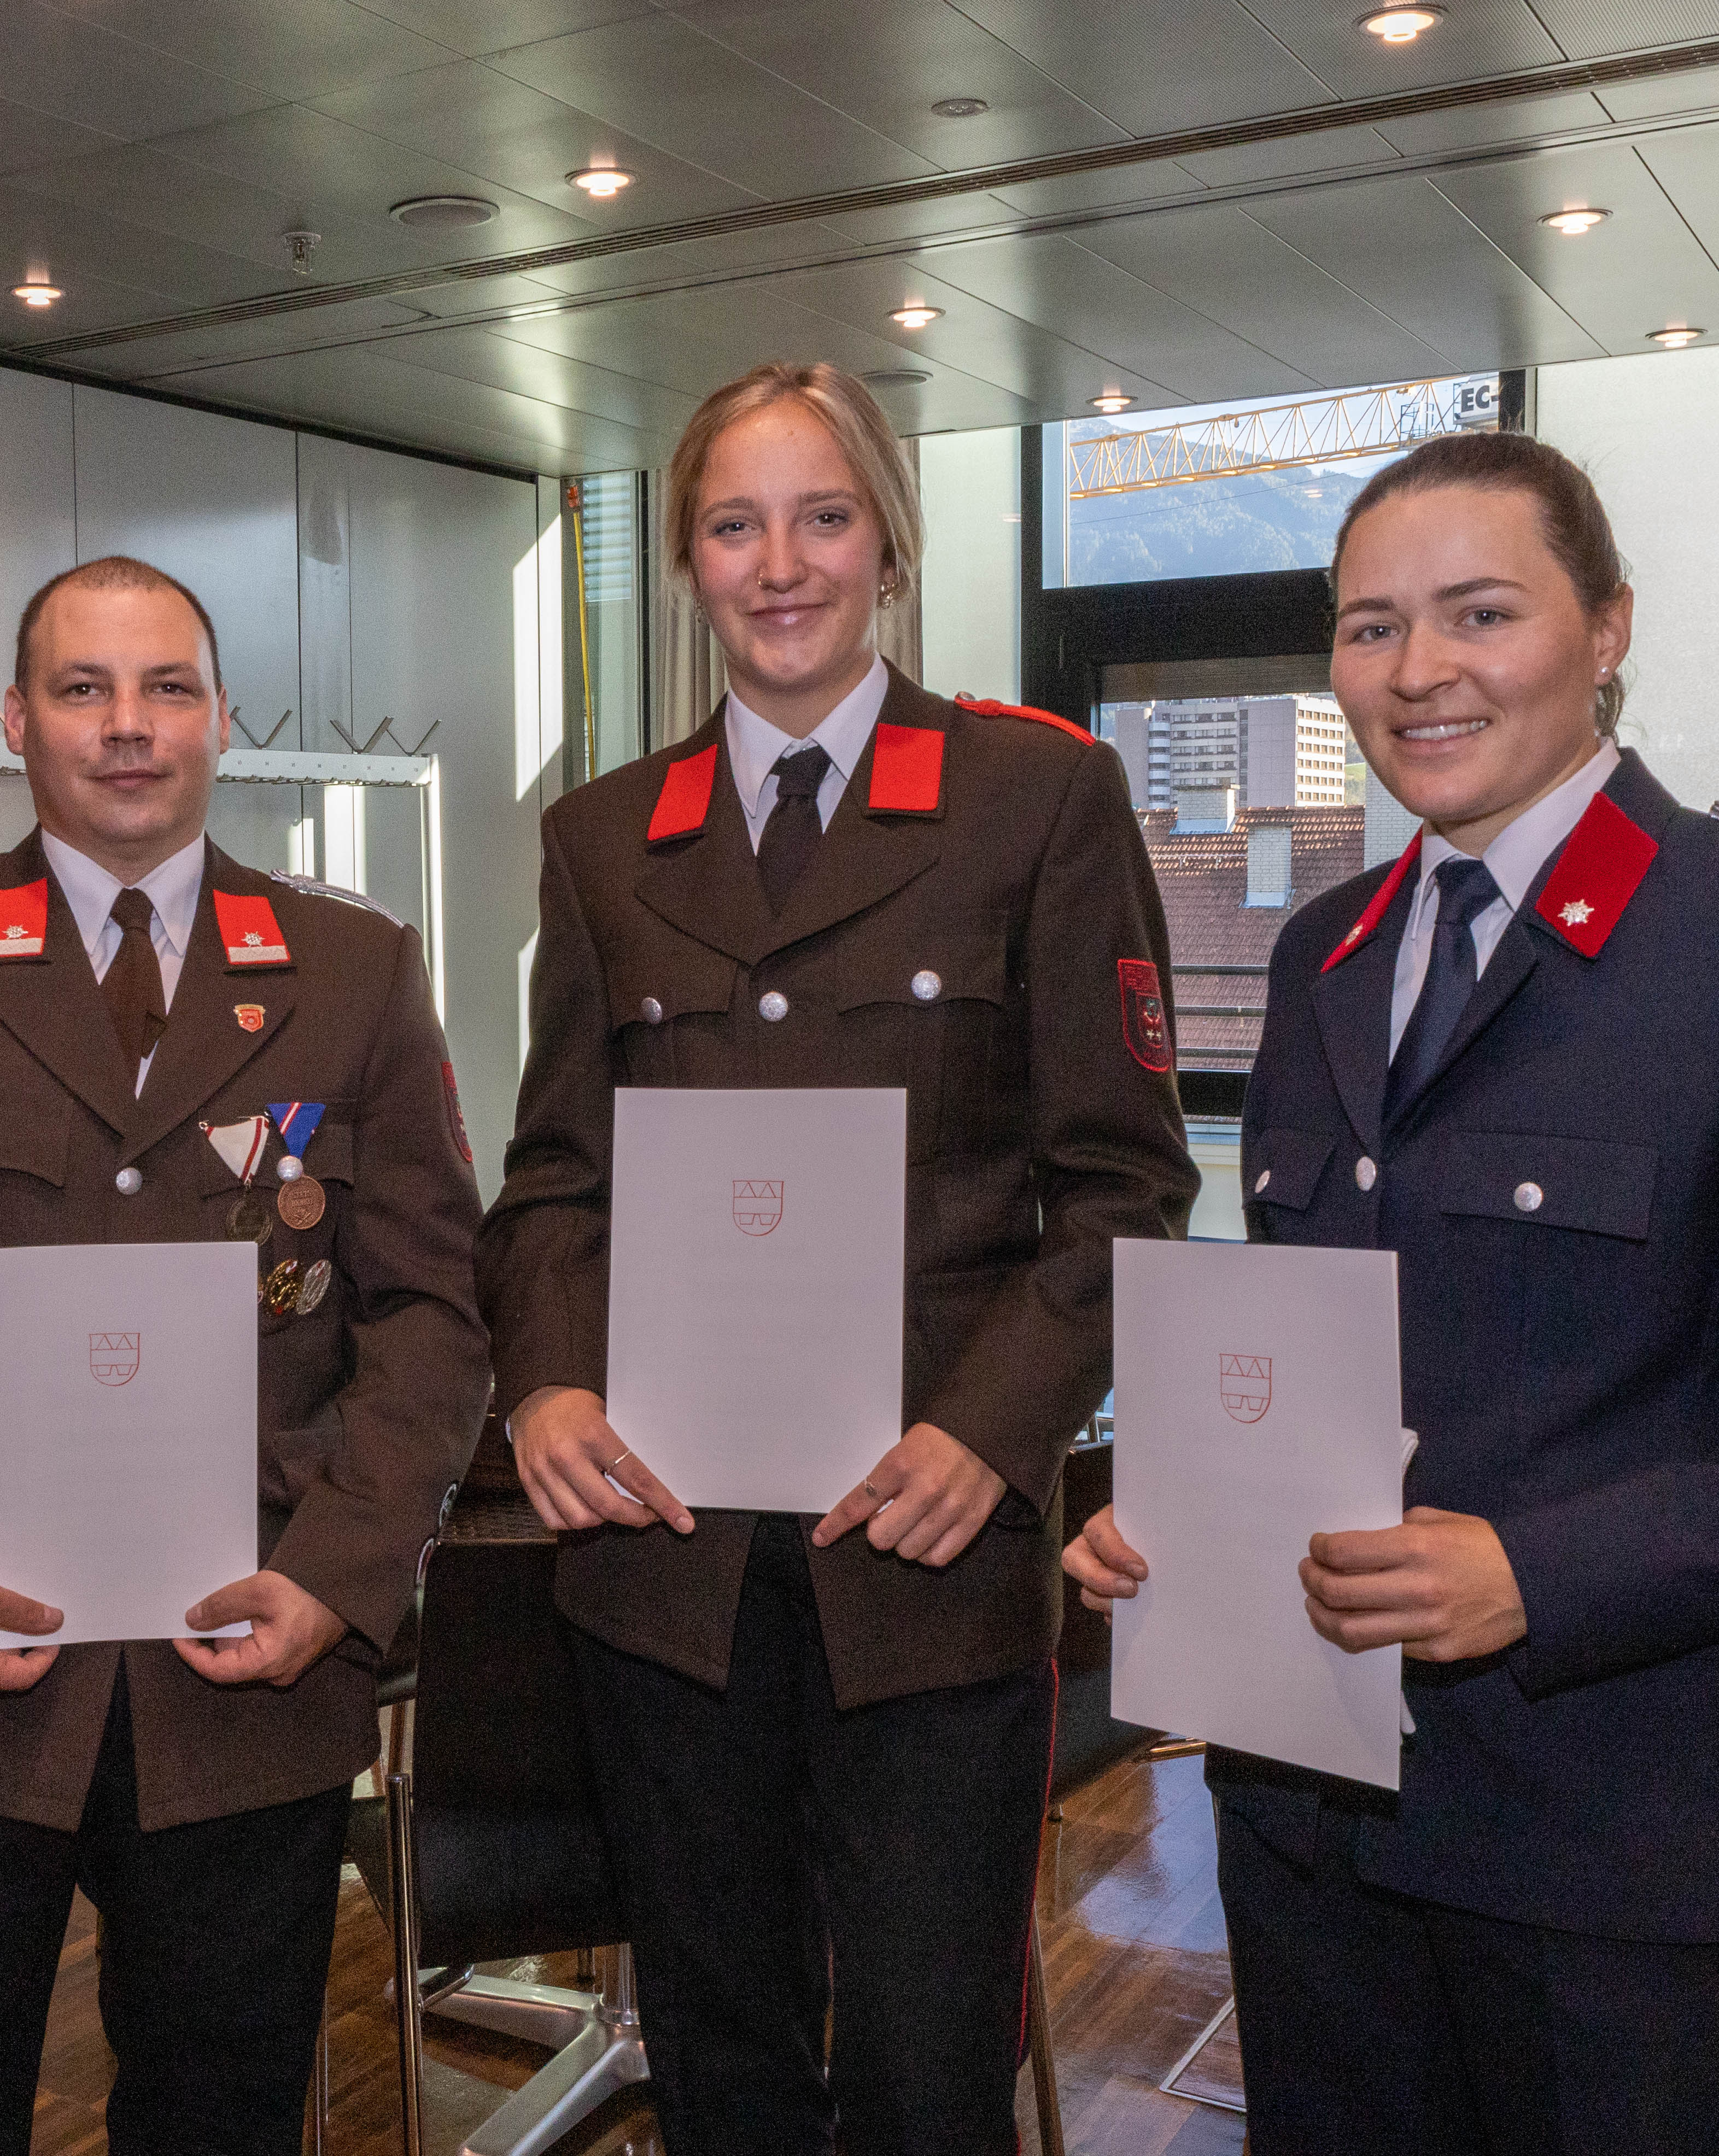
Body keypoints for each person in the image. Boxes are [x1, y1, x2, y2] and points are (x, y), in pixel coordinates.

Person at [1066, 430, 1719, 2154]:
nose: (1416, 672)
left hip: (1622, 1848)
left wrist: (1536, 1573)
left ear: (1607, 628)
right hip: (1313, 1814)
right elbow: (1323, 1346)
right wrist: (1183, 1517)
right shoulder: (1319, 953)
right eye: (1366, 627)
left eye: (1477, 613)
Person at [477, 362, 1198, 2148]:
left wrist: (994, 1434)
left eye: (820, 517)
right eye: (732, 524)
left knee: (923, 2056)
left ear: (887, 543)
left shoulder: (1036, 800)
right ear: (685, 563)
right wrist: (547, 1375)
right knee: (717, 2046)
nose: (776, 562)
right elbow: (554, 1173)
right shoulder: (598, 839)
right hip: (665, 1554)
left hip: (926, 1548)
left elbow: (1123, 1182)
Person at [0, 554, 489, 2154]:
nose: (126, 728)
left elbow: (427, 1308)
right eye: (83, 689)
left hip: (246, 1665)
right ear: (16, 721)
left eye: (164, 691)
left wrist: (339, 1577)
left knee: (219, 2117)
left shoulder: (351, 970)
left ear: (222, 720)